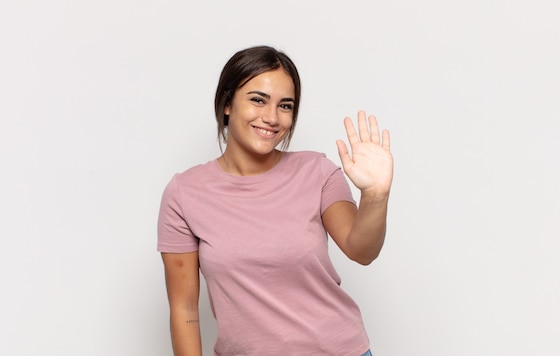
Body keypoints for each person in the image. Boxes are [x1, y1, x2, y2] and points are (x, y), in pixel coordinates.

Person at [157, 45, 393, 356]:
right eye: (258, 100)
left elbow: (362, 250)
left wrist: (375, 195)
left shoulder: (317, 172)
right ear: (227, 103)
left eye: (285, 106)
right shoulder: (184, 193)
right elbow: (184, 309)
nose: (272, 118)